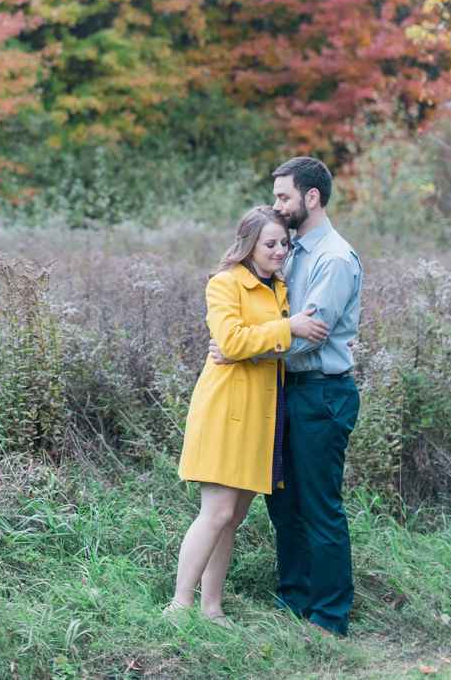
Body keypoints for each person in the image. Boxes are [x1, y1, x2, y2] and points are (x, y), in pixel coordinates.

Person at [210, 157, 362, 637]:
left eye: (283, 196)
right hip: (282, 391)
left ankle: (330, 617)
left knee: (319, 506)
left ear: (310, 198)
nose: (277, 204)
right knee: (284, 504)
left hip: (321, 395)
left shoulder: (333, 259)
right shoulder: (288, 250)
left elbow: (308, 335)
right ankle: (293, 601)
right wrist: (244, 342)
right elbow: (270, 319)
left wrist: (239, 350)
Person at [165, 205, 329, 627]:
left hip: (261, 416)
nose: (278, 251)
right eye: (269, 243)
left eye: (283, 244)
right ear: (248, 245)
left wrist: (257, 343)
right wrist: (285, 330)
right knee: (215, 512)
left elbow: (245, 345)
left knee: (233, 518)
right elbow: (232, 341)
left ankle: (211, 607)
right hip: (225, 411)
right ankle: (179, 605)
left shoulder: (279, 289)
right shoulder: (224, 284)